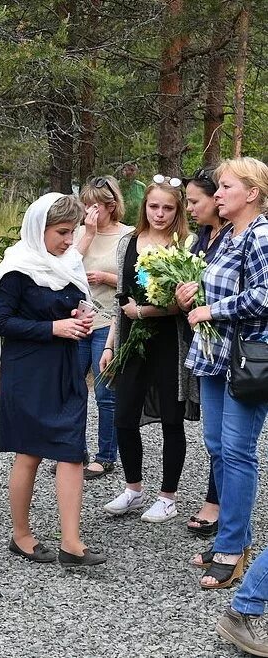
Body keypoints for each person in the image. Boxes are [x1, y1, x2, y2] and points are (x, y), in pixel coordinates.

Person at [0, 193, 105, 566]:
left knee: (71, 451)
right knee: (30, 453)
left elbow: (76, 306)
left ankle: (71, 543)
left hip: (65, 367)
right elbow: (1, 323)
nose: (69, 240)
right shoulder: (16, 269)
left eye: (72, 232)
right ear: (39, 229)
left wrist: (80, 320)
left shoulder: (67, 263)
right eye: (62, 232)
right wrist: (54, 327)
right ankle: (21, 535)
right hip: (28, 371)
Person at [177, 157, 268, 593]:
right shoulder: (226, 235)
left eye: (226, 187)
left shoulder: (261, 233)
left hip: (247, 360)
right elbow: (221, 282)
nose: (217, 195)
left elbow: (266, 295)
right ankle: (237, 536)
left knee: (237, 451)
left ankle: (231, 548)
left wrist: (213, 307)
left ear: (251, 193)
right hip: (214, 356)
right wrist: (194, 289)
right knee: (216, 446)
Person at [99, 176, 198, 524]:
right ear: (144, 207)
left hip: (170, 341)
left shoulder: (185, 244)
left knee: (172, 418)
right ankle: (133, 488)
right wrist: (111, 344)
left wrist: (145, 311)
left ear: (178, 210)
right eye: (154, 206)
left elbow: (187, 302)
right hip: (131, 339)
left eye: (168, 208)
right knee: (124, 414)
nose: (160, 214)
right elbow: (120, 298)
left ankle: (168, 496)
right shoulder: (129, 242)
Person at [175, 168, 229, 539]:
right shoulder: (200, 239)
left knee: (232, 437)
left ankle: (220, 502)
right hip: (205, 345)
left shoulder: (238, 237)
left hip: (233, 346)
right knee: (214, 435)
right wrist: (180, 298)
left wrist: (208, 305)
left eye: (195, 201)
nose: (190, 208)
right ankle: (220, 498)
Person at [73, 177, 133, 480]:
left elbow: (138, 280)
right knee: (72, 389)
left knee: (105, 391)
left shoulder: (129, 236)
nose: (88, 210)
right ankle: (73, 451)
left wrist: (108, 279)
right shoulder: (79, 233)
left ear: (111, 206)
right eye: (86, 204)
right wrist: (88, 233)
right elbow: (65, 267)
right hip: (79, 318)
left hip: (109, 322)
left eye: (94, 205)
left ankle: (106, 456)